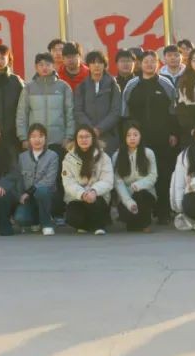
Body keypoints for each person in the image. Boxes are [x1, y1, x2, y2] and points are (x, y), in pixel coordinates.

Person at [122, 51, 179, 223]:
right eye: (146, 61)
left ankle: (163, 212)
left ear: (158, 63)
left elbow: (173, 110)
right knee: (140, 173)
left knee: (163, 174)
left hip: (161, 137)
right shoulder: (132, 85)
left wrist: (173, 132)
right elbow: (124, 112)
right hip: (138, 139)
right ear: (140, 64)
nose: (149, 64)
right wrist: (126, 135)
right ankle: (141, 211)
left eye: (153, 61)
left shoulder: (166, 84)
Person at [16, 52, 75, 156]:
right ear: (36, 67)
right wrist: (24, 138)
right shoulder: (29, 88)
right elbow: (22, 115)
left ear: (53, 66)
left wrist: (69, 137)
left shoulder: (63, 87)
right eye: (41, 65)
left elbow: (70, 114)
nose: (44, 68)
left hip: (58, 142)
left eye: (48, 64)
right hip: (35, 141)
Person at [61, 125, 114, 234]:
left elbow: (108, 181)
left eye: (87, 137)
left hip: (97, 196)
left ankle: (99, 225)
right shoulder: (68, 158)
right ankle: (87, 224)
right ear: (76, 139)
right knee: (73, 218)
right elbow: (68, 183)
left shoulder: (103, 157)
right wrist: (82, 194)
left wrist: (93, 191)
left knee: (96, 205)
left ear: (93, 138)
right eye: (80, 137)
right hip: (77, 198)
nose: (83, 140)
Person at [73, 50, 122, 154]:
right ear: (88, 65)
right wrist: (91, 130)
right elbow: (78, 111)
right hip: (86, 136)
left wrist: (99, 129)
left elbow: (116, 111)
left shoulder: (113, 86)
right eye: (93, 62)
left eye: (100, 62)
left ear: (104, 65)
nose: (96, 65)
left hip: (109, 137)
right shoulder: (81, 87)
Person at [14, 123, 59, 235]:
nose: (37, 140)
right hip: (28, 198)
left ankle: (47, 223)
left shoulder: (53, 156)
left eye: (40, 136)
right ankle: (36, 221)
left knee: (41, 191)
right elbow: (19, 179)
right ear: (29, 139)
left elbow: (49, 180)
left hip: (46, 196)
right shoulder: (22, 157)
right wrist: (20, 195)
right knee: (20, 218)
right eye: (33, 136)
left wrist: (30, 191)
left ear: (45, 138)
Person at [112, 121, 157, 232]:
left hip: (145, 192)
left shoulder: (148, 153)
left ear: (141, 136)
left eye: (135, 135)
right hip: (126, 195)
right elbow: (117, 182)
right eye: (128, 135)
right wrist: (128, 201)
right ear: (124, 138)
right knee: (129, 216)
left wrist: (139, 184)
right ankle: (134, 221)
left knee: (141, 195)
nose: (132, 138)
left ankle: (145, 223)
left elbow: (153, 176)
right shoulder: (117, 155)